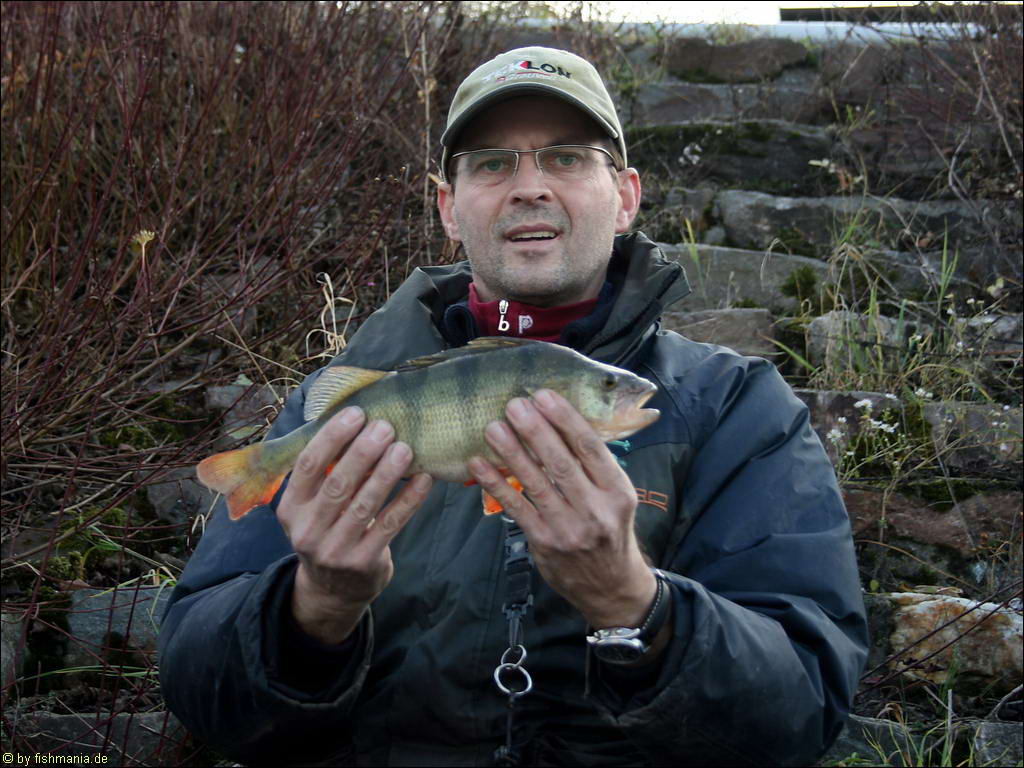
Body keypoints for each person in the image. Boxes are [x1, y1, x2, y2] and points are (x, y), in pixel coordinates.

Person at [159, 47, 868, 767]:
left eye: (566, 158)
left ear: (625, 197)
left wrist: (635, 606)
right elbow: (199, 687)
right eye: (493, 163)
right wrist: (315, 608)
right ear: (450, 208)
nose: (529, 187)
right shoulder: (347, 402)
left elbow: (800, 711)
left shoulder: (739, 409)